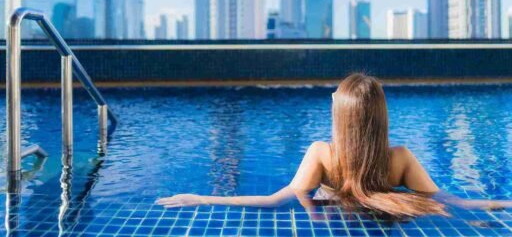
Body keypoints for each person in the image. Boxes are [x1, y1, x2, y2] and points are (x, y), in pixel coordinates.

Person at [156, 73, 512, 217]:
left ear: (342, 114)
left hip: (332, 221)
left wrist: (201, 198)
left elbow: (272, 201)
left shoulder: (322, 153)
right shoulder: (399, 158)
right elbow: (456, 202)